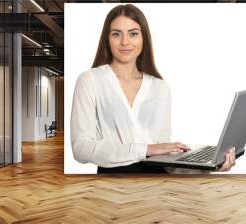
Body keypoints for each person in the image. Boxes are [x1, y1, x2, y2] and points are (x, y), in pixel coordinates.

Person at [70, 4, 235, 174]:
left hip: (157, 183)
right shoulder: (90, 80)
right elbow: (81, 149)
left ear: (144, 38)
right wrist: (145, 150)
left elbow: (163, 156)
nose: (125, 42)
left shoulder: (160, 87)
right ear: (107, 39)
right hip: (113, 183)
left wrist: (210, 166)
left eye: (133, 33)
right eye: (116, 34)